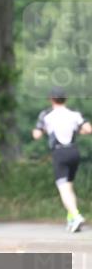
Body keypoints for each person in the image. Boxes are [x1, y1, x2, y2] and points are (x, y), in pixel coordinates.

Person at [32, 86, 92, 233]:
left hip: (60, 153)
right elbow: (88, 129)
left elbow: (37, 135)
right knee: (69, 186)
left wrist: (41, 130)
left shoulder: (46, 115)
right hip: (74, 152)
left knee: (63, 188)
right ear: (65, 99)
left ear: (51, 99)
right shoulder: (74, 114)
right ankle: (71, 218)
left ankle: (76, 215)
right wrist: (77, 130)